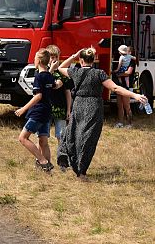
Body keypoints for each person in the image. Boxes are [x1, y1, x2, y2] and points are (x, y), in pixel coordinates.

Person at [56, 47, 147, 181]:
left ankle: (71, 161)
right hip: (93, 108)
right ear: (93, 60)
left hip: (78, 106)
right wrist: (134, 94)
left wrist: (73, 55)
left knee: (74, 134)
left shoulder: (75, 71)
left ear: (81, 60)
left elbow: (60, 68)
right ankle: (81, 171)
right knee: (88, 138)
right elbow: (115, 88)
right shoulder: (99, 73)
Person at [14, 49, 55, 172]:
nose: (33, 60)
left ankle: (42, 161)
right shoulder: (49, 76)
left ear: (39, 60)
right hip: (47, 111)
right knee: (43, 141)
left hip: (38, 112)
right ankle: (48, 169)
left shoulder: (39, 77)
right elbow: (55, 85)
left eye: (35, 58)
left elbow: (38, 96)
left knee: (23, 138)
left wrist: (23, 109)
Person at [47, 45, 73, 145]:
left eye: (56, 57)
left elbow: (66, 91)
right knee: (42, 135)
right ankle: (40, 159)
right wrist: (51, 70)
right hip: (46, 107)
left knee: (61, 135)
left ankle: (62, 158)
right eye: (51, 57)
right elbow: (43, 82)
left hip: (60, 107)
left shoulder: (62, 72)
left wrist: (68, 109)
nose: (54, 60)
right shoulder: (43, 71)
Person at [114, 46, 136, 128]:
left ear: (130, 52)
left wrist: (118, 74)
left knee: (127, 106)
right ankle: (120, 122)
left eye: (129, 51)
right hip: (120, 85)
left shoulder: (131, 62)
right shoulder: (123, 59)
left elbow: (128, 72)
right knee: (119, 105)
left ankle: (130, 123)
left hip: (127, 86)